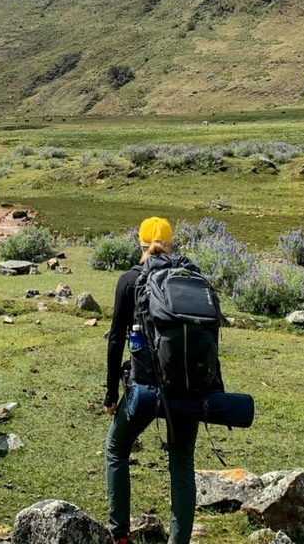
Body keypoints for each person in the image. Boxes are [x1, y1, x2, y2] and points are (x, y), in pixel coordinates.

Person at [104, 217, 201, 544]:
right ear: (171, 243)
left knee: (116, 449)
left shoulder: (130, 280)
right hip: (190, 387)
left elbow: (116, 339)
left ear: (140, 243)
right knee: (182, 462)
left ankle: (120, 536)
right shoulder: (192, 276)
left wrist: (111, 394)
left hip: (145, 387)